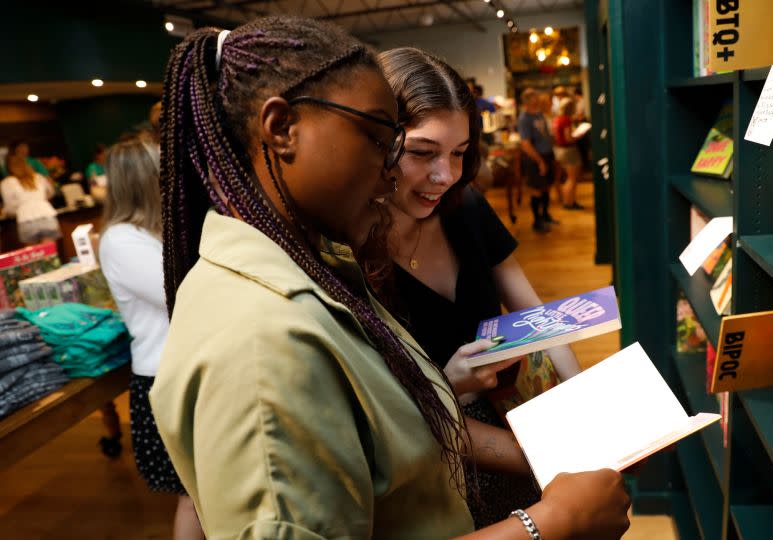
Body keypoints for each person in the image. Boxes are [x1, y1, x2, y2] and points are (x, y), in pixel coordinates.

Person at [150, 16, 629, 539]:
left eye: (459, 154)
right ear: (282, 128)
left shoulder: (319, 265)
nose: (393, 171)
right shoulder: (263, 340)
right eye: (384, 142)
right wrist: (549, 521)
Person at [378, 47, 585, 528]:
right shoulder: (348, 256)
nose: (445, 176)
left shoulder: (464, 206)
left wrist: (581, 401)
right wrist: (449, 387)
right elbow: (387, 419)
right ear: (377, 143)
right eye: (422, 153)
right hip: (442, 464)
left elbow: (533, 313)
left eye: (460, 153)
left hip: (520, 421)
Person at [97, 137, 204, 540]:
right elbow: (181, 291)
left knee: (207, 490)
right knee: (194, 495)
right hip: (164, 377)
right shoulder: (120, 240)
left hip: (186, 370)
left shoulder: (154, 232)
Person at [518, 88, 557, 233]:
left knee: (546, 186)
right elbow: (525, 144)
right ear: (529, 101)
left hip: (547, 154)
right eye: (535, 98)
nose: (538, 100)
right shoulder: (524, 119)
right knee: (536, 190)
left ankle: (546, 215)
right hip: (535, 158)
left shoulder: (539, 114)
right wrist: (539, 161)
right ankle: (537, 221)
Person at [1, 155, 60, 245]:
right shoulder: (38, 177)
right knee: (50, 253)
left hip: (26, 218)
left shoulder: (7, 183)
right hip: (46, 215)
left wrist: (8, 212)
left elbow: (10, 207)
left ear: (8, 167)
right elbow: (51, 192)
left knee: (33, 255)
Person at [552, 98, 585, 210]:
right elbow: (568, 138)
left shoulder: (557, 119)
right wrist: (579, 135)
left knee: (568, 178)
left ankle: (570, 201)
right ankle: (568, 203)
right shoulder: (566, 120)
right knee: (572, 178)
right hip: (569, 150)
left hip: (559, 150)